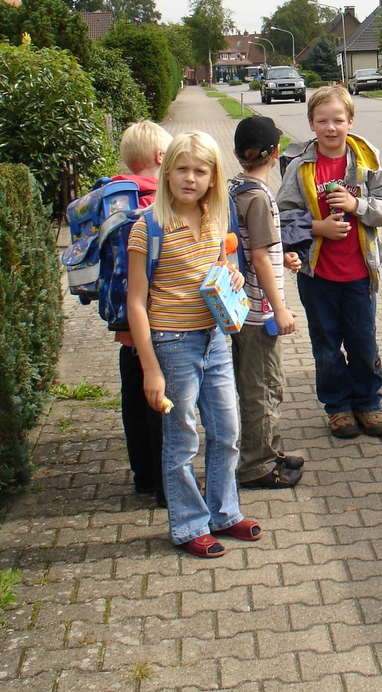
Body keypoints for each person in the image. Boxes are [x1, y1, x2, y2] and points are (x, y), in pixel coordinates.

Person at [126, 131, 262, 558]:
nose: (190, 178)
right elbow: (135, 302)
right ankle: (188, 525)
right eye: (181, 169)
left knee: (227, 431)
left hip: (215, 339)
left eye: (200, 171)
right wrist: (150, 368)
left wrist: (233, 276)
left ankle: (224, 512)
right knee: (182, 437)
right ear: (166, 173)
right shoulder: (147, 226)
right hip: (172, 344)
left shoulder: (214, 219)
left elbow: (220, 266)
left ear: (213, 178)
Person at [277, 85, 382, 440]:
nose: (331, 128)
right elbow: (281, 217)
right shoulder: (299, 168)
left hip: (360, 274)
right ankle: (338, 408)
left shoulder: (366, 164)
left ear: (351, 121)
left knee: (363, 342)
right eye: (322, 121)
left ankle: (368, 403)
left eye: (338, 120)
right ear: (311, 124)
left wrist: (357, 206)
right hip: (318, 277)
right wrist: (319, 228)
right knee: (327, 345)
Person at [229, 116, 306, 488]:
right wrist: (279, 308)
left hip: (248, 308)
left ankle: (270, 449)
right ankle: (257, 465)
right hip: (259, 312)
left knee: (263, 382)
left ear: (236, 154)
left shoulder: (237, 190)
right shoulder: (259, 198)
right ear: (276, 153)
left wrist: (285, 258)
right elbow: (259, 256)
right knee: (262, 387)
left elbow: (262, 252)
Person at [111, 120, 173, 507]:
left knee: (133, 399)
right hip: (157, 322)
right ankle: (169, 487)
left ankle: (143, 477)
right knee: (161, 404)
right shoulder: (156, 203)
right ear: (161, 157)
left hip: (122, 324)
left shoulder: (112, 197)